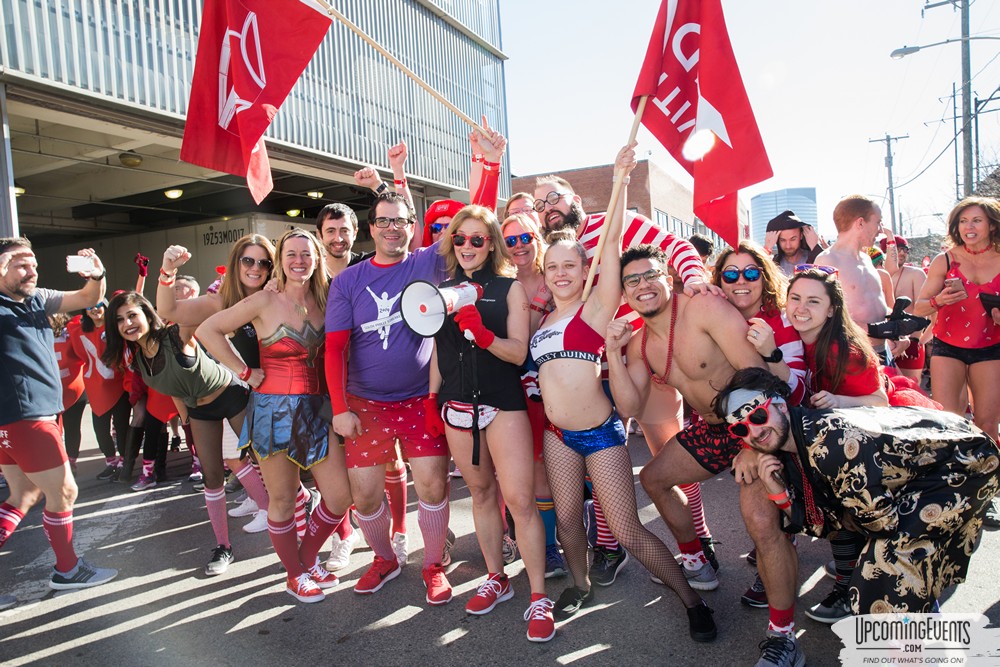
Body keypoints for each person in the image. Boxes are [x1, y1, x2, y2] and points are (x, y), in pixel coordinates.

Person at [531, 144, 717, 642]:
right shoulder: (544, 318)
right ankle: (580, 583)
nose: (563, 274)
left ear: (585, 268)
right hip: (556, 436)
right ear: (546, 275)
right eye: (554, 269)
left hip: (599, 435)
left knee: (629, 530)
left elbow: (612, 235)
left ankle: (692, 599)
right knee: (569, 524)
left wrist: (619, 180)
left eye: (572, 266)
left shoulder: (596, 309)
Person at [715, 366, 999, 620]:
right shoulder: (791, 449)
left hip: (968, 461)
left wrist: (843, 517)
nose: (754, 431)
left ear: (781, 406)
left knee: (885, 566)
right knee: (883, 568)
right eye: (741, 428)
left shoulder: (830, 442)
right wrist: (778, 491)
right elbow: (826, 526)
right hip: (924, 473)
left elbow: (876, 524)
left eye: (758, 415)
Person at [198, 229, 354, 603]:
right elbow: (208, 330)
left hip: (318, 410)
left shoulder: (328, 297)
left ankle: (305, 560)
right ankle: (294, 574)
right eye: (291, 254)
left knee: (338, 496)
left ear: (316, 258)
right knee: (282, 500)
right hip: (272, 412)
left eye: (306, 254)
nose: (299, 260)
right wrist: (245, 372)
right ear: (280, 261)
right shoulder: (265, 300)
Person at [606, 243, 766, 595]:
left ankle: (771, 581)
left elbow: (757, 374)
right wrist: (613, 354)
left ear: (669, 277)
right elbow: (629, 407)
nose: (643, 285)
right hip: (711, 429)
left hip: (756, 422)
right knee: (653, 478)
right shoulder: (640, 344)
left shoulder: (704, 308)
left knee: (759, 513)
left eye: (650, 275)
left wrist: (754, 446)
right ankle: (696, 561)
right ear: (624, 292)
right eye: (632, 280)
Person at [429, 205, 555, 641]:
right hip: (456, 408)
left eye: (477, 239)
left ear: (492, 244)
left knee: (519, 501)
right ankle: (496, 577)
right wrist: (433, 399)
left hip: (503, 403)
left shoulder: (509, 289)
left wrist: (483, 335)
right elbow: (437, 357)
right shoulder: (439, 290)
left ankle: (538, 596)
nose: (467, 246)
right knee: (481, 494)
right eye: (459, 238)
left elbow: (519, 353)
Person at [326, 191, 453, 606]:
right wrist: (340, 409)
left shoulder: (425, 263)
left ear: (411, 226)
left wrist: (486, 166)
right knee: (364, 496)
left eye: (399, 221)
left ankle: (433, 564)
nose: (391, 228)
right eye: (383, 221)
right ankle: (384, 559)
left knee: (432, 488)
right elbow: (333, 349)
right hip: (365, 404)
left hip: (421, 399)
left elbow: (470, 219)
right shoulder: (348, 281)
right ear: (372, 228)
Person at [103, 291, 249, 576]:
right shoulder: (137, 357)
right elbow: (175, 389)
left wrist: (170, 278)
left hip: (232, 396)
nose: (127, 323)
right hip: (200, 410)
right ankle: (224, 547)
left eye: (132, 315)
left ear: (147, 314)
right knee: (212, 476)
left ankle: (299, 507)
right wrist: (186, 424)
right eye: (120, 320)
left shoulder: (175, 335)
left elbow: (206, 313)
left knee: (265, 460)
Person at [0, 237, 118, 590]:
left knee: (24, 494)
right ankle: (68, 570)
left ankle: (67, 569)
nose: (31, 269)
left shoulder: (36, 298)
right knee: (64, 492)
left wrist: (97, 274)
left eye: (33, 262)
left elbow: (88, 298)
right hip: (26, 417)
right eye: (20, 264)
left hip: (24, 418)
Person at [156, 235, 273, 533]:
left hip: (279, 391)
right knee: (238, 455)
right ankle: (264, 502)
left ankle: (280, 506)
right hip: (241, 388)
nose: (255, 268)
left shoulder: (279, 292)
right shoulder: (221, 298)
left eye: (263, 262)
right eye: (248, 260)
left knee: (272, 460)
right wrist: (167, 271)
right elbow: (169, 312)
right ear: (236, 263)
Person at [500, 212, 566, 578]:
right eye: (510, 241)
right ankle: (516, 537)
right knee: (509, 467)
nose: (519, 246)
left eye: (524, 237)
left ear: (538, 237)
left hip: (548, 379)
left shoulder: (555, 277)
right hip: (505, 380)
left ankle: (549, 547)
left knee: (543, 464)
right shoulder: (499, 281)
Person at [914, 196, 1000, 442]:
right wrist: (938, 301)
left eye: (976, 221)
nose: (968, 227)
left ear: (992, 225)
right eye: (963, 221)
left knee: (987, 424)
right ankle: (954, 477)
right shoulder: (946, 260)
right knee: (949, 422)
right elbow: (919, 308)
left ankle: (989, 477)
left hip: (991, 348)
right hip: (948, 347)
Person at [815, 195, 905, 363]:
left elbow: (873, 304)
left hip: (884, 351)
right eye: (877, 222)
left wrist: (899, 329)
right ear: (860, 223)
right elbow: (820, 314)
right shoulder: (827, 261)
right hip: (853, 357)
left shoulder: (866, 259)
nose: (880, 230)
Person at [69, 300, 130, 481]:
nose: (94, 310)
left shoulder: (116, 328)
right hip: (96, 386)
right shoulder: (79, 330)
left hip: (119, 384)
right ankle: (110, 462)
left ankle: (123, 462)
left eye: (98, 305)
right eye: (89, 307)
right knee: (100, 429)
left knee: (121, 427)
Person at [879, 235, 928, 382]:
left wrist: (916, 340)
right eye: (897, 249)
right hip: (884, 344)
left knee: (912, 389)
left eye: (905, 249)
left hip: (910, 343)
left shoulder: (916, 274)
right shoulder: (875, 274)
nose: (901, 253)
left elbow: (922, 310)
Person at [50, 313, 87, 472]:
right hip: (51, 390)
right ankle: (59, 462)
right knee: (52, 430)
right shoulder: (36, 331)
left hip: (73, 388)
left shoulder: (72, 329)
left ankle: (70, 462)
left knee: (72, 427)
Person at [763, 210, 824, 277]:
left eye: (793, 239)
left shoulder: (816, 258)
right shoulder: (773, 263)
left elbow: (828, 276)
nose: (788, 246)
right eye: (783, 240)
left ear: (801, 236)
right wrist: (766, 249)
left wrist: (815, 247)